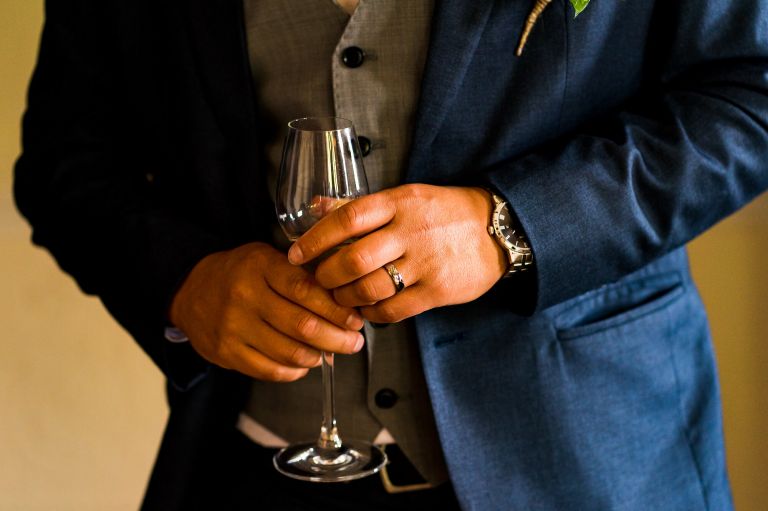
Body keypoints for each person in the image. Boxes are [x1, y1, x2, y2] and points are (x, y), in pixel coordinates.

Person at [13, 0, 768, 509]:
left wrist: (507, 227)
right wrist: (184, 282)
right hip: (251, 463)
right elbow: (63, 158)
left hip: (588, 456)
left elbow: (749, 92)